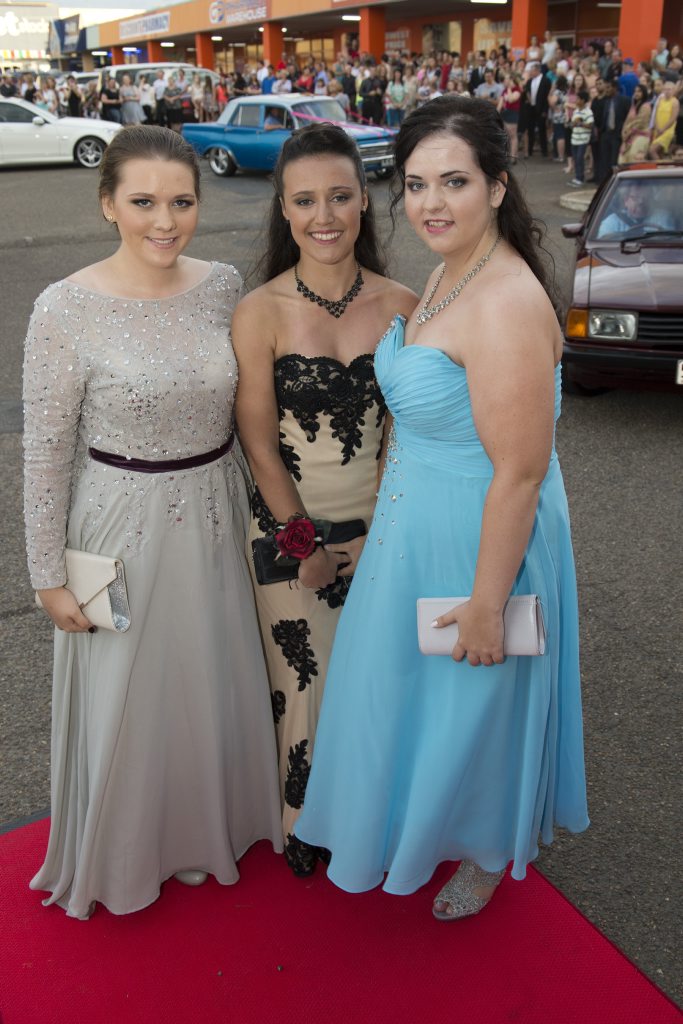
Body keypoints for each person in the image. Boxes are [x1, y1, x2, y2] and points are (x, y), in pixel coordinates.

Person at [295, 95, 589, 917]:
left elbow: (520, 474)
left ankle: (486, 847)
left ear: (497, 185)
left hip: (480, 530)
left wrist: (489, 603)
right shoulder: (446, 268)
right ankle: (421, 822)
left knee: (474, 699)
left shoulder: (504, 301)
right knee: (415, 692)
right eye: (416, 183)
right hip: (414, 521)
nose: (430, 203)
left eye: (453, 181)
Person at [23, 125, 282, 920]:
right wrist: (47, 575)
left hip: (214, 509)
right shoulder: (63, 306)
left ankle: (202, 836)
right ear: (108, 205)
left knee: (204, 681)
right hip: (119, 521)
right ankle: (133, 849)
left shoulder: (223, 284)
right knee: (128, 696)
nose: (164, 221)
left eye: (180, 201)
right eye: (142, 202)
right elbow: (43, 449)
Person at [231, 123, 416, 877]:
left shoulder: (406, 304)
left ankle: (376, 806)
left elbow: (407, 440)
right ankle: (303, 814)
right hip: (286, 533)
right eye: (305, 200)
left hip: (385, 530)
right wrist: (305, 546)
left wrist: (379, 536)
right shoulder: (260, 311)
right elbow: (259, 446)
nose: (324, 215)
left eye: (340, 196)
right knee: (302, 681)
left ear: (364, 202)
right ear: (282, 208)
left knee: (376, 678)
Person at [618, 84, 652, 164]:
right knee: (622, 160)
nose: (636, 93)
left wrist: (628, 132)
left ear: (644, 93)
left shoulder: (646, 106)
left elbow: (640, 123)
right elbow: (627, 121)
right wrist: (624, 132)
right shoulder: (634, 106)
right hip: (629, 136)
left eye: (639, 91)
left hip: (640, 136)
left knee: (633, 158)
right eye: (635, 91)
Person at [523, 63, 551, 157]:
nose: (531, 72)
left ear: (538, 70)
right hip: (531, 108)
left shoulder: (546, 81)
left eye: (532, 70)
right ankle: (529, 150)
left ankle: (544, 151)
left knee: (542, 130)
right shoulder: (529, 81)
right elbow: (526, 90)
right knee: (530, 129)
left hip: (541, 108)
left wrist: (545, 111)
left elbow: (547, 97)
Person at [569, 89, 594, 186]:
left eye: (578, 99)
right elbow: (572, 124)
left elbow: (590, 125)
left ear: (583, 100)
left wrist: (579, 123)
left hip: (583, 139)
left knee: (580, 158)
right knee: (575, 158)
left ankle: (580, 177)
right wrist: (572, 124)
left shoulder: (588, 112)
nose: (576, 100)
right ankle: (577, 177)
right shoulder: (576, 111)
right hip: (574, 138)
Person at [649, 80, 679, 158]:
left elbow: (673, 119)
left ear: (673, 90)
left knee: (652, 150)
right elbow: (656, 115)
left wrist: (663, 129)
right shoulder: (660, 100)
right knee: (660, 152)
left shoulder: (675, 102)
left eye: (669, 89)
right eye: (665, 89)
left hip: (667, 131)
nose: (667, 91)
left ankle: (659, 168)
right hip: (658, 130)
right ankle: (663, 167)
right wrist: (657, 127)